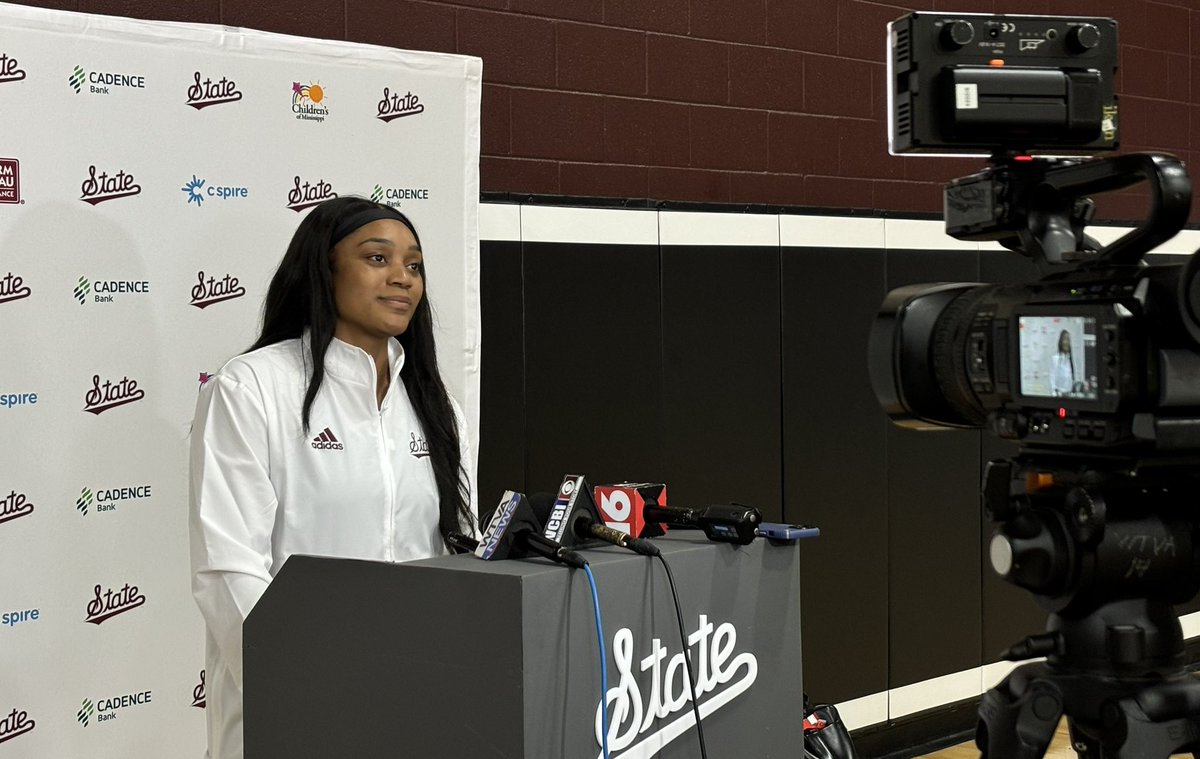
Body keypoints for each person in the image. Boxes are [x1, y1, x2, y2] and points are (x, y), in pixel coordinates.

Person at [189, 197, 476, 759]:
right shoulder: (252, 388)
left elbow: (454, 553)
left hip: (419, 705)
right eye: (377, 258)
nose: (402, 279)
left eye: (414, 266)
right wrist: (313, 687)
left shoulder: (438, 407)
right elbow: (229, 570)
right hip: (296, 711)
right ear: (324, 270)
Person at [1050, 329, 1075, 397]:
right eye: (1065, 339)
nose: (1066, 342)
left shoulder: (1069, 359)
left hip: (1069, 395)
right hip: (1059, 395)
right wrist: (1054, 392)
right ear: (1060, 341)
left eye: (1068, 340)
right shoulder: (1055, 358)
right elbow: (1052, 377)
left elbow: (1071, 378)